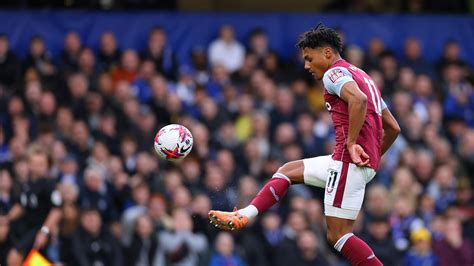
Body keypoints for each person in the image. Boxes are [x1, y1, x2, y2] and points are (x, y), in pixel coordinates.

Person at [209, 24, 401, 266]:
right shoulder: (365, 77)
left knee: (338, 235)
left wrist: (352, 145)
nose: (307, 66)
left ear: (327, 53)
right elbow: (393, 127)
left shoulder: (334, 74)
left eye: (310, 58)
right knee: (287, 171)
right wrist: (373, 159)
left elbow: (358, 100)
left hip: (346, 161)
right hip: (350, 163)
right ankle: (244, 215)